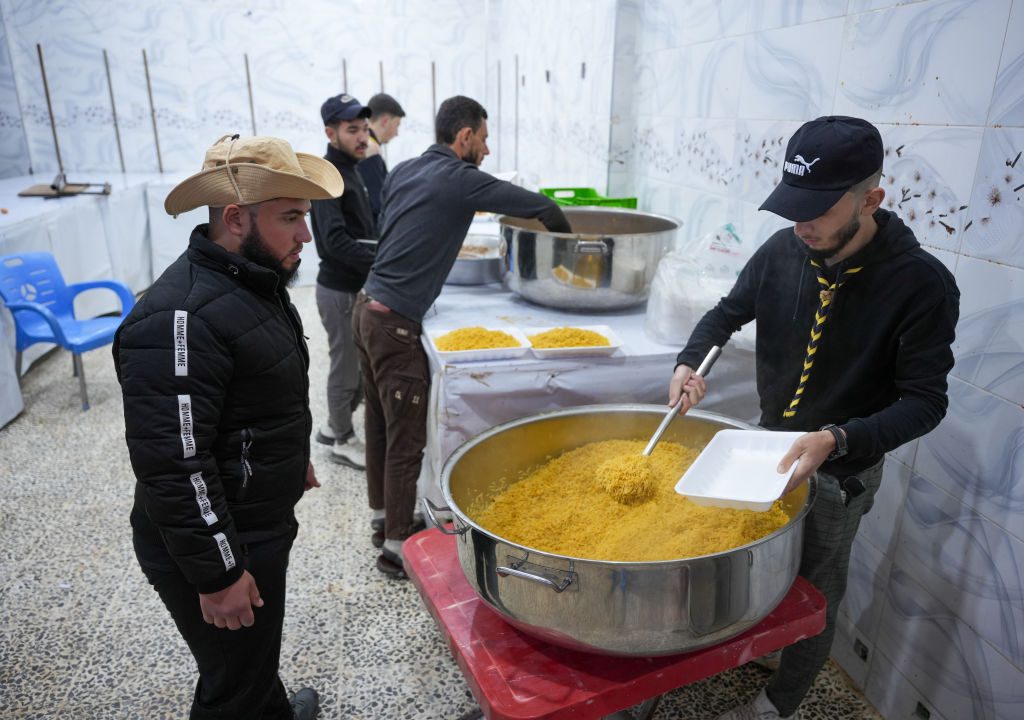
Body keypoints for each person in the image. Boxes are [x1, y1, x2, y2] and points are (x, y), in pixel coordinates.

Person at [669, 116, 960, 720]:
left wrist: (838, 438)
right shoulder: (784, 250)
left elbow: (926, 401)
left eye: (817, 211)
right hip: (762, 453)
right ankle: (746, 651)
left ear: (871, 199)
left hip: (841, 469)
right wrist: (690, 361)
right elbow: (726, 313)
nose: (801, 226)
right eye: (793, 208)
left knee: (815, 594)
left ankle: (779, 704)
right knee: (744, 565)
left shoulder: (921, 284)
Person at [114, 134, 343, 720]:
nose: (306, 235)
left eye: (306, 217)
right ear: (237, 218)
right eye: (290, 218)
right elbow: (174, 463)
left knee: (251, 662)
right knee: (233, 687)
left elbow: (253, 396)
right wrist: (219, 576)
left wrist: (288, 456)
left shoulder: (250, 279)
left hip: (251, 517)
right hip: (218, 539)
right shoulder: (178, 317)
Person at [353, 95, 572, 576]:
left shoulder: (404, 170)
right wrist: (565, 252)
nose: (487, 150)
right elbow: (542, 207)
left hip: (366, 308)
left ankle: (382, 518)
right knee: (406, 439)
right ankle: (395, 548)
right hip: (394, 323)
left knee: (380, 425)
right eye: (485, 139)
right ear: (465, 135)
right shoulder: (460, 178)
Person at [310, 93, 378, 470]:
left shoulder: (351, 169)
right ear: (330, 133)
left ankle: (334, 426)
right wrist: (381, 262)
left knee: (358, 367)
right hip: (339, 290)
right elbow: (335, 241)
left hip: (355, 285)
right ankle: (342, 440)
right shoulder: (327, 176)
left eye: (364, 128)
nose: (362, 137)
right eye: (352, 130)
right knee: (346, 368)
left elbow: (360, 229)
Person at [360, 92, 406, 221]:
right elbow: (378, 203)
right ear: (385, 121)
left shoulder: (364, 146)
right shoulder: (371, 148)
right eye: (397, 125)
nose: (397, 133)